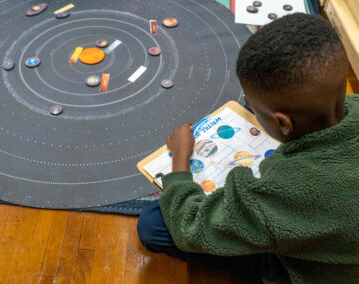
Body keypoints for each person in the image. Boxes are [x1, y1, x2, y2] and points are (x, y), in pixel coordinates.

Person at [137, 13, 359, 283]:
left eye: (252, 106)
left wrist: (180, 160)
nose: (248, 107)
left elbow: (190, 227)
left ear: (283, 123)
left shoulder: (290, 190)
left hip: (307, 270)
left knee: (153, 224)